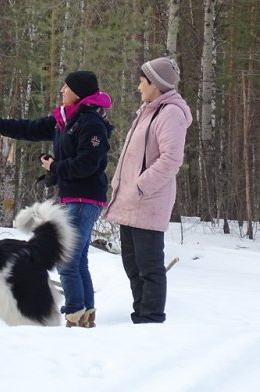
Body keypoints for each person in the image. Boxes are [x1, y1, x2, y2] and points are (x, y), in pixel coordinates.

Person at [0, 70, 113, 328]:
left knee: (67, 260)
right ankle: (84, 315)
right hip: (73, 197)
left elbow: (88, 164)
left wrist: (55, 166)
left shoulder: (91, 123)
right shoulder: (66, 119)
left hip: (84, 198)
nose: (62, 91)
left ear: (78, 92)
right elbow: (28, 128)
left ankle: (75, 315)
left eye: (66, 87)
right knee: (77, 260)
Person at [103, 57, 192, 324]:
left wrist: (141, 185)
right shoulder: (148, 111)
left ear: (155, 84)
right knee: (132, 265)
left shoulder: (170, 113)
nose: (138, 87)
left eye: (142, 82)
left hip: (148, 200)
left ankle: (151, 321)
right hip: (131, 199)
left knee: (149, 267)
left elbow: (171, 159)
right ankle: (139, 318)